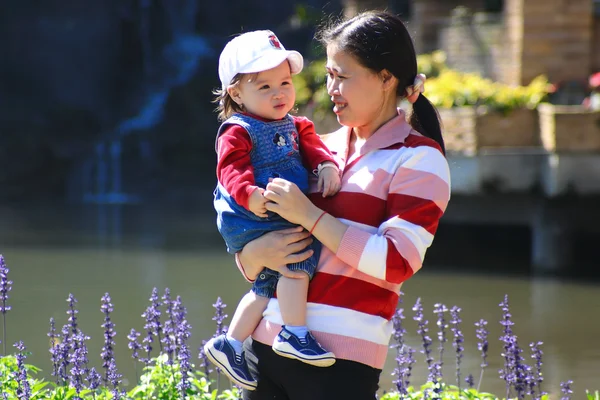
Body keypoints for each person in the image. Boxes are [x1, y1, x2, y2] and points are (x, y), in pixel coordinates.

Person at [234, 11, 451, 400]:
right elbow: (256, 249)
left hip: (340, 364)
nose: (331, 87)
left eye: (342, 76)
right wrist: (253, 254)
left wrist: (310, 216)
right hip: (263, 349)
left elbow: (396, 262)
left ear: (386, 78)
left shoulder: (420, 159)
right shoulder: (313, 148)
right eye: (329, 74)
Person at [204, 30, 343, 391]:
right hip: (254, 212)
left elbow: (316, 151)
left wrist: (326, 168)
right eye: (264, 87)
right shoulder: (237, 130)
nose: (279, 92)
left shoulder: (298, 126)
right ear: (236, 93)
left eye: (284, 82)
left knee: (266, 284)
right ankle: (295, 333)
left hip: (272, 209)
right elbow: (230, 169)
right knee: (298, 260)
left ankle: (230, 343)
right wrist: (248, 194)